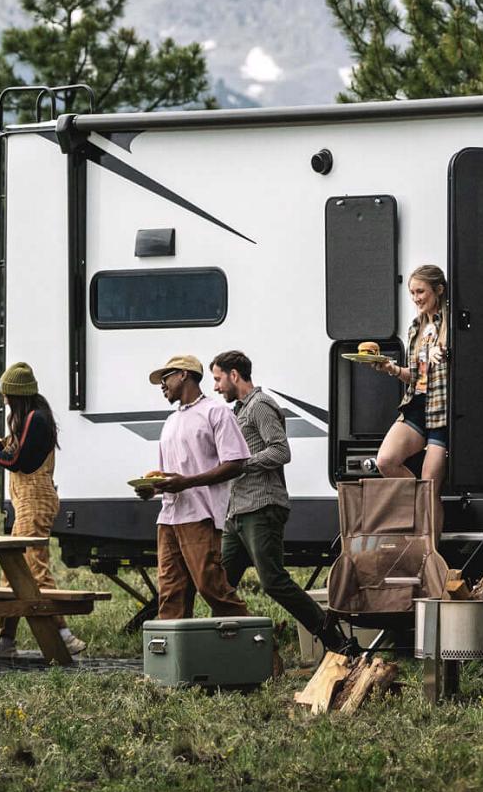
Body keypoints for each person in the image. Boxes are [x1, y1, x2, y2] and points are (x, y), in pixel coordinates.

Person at [212, 349, 357, 659]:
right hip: (236, 511)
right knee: (220, 585)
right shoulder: (237, 411)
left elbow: (280, 451)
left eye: (218, 379)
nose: (216, 386)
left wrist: (242, 465)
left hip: (262, 507)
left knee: (273, 581)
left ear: (234, 375)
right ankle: (224, 653)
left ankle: (334, 639)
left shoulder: (260, 405)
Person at [0, 362, 85, 659]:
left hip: (35, 501)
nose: (4, 400)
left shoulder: (35, 419)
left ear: (17, 394)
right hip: (25, 502)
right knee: (13, 570)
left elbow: (17, 462)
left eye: (6, 394)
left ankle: (65, 636)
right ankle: (6, 640)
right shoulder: (30, 418)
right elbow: (16, 452)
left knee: (35, 569)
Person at [135, 353, 251, 620]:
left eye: (165, 378)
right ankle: (175, 648)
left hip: (201, 515)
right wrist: (154, 488)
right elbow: (169, 476)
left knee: (211, 586)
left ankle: (255, 638)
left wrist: (187, 483)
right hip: (169, 517)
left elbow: (236, 464)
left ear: (183, 374)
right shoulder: (171, 421)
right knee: (170, 592)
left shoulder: (216, 412)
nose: (162, 385)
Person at [370, 264, 451, 495]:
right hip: (416, 405)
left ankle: (425, 509)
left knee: (430, 485)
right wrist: (392, 369)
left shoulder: (452, 324)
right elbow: (416, 377)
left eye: (421, 291)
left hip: (441, 411)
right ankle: (418, 506)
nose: (416, 298)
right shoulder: (416, 327)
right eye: (412, 293)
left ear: (439, 290)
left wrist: (444, 353)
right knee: (385, 461)